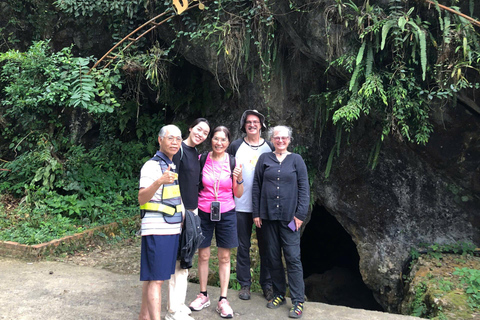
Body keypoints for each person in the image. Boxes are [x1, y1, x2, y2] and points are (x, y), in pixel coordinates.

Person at [252, 125, 310, 319]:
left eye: (284, 138)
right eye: (277, 138)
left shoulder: (296, 160)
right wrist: (257, 213)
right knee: (273, 257)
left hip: (290, 219)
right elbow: (257, 186)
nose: (280, 141)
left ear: (289, 140)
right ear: (272, 139)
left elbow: (304, 188)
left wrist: (300, 214)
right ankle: (278, 294)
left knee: (293, 258)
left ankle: (298, 301)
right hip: (268, 217)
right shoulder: (264, 159)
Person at [189, 126, 243, 319]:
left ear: (228, 143)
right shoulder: (201, 159)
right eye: (216, 139)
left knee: (224, 257)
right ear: (211, 139)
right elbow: (193, 184)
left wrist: (240, 178)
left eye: (223, 140)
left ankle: (223, 299)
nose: (219, 143)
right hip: (204, 211)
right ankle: (203, 295)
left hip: (227, 212)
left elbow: (238, 193)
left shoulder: (233, 162)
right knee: (203, 255)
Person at [163, 118, 210, 320]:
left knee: (186, 259)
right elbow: (172, 182)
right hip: (180, 211)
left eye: (205, 132)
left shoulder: (195, 154)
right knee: (177, 262)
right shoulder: (179, 151)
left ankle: (180, 304)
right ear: (190, 128)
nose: (201, 134)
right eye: (198, 129)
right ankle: (172, 311)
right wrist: (181, 210)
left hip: (193, 211)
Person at [137, 124, 184, 320]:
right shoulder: (152, 166)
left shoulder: (171, 165)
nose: (175, 142)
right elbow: (141, 198)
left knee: (154, 278)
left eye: (178, 139)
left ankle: (144, 317)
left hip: (171, 228)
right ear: (160, 140)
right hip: (157, 229)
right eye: (170, 138)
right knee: (156, 280)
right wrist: (158, 181)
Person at [227, 109, 274, 301]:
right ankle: (244, 284)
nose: (252, 125)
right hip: (240, 205)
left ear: (262, 125)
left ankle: (267, 285)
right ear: (244, 125)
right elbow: (226, 169)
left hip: (264, 208)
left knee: (267, 246)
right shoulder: (236, 146)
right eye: (248, 122)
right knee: (243, 246)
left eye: (256, 122)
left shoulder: (270, 147)